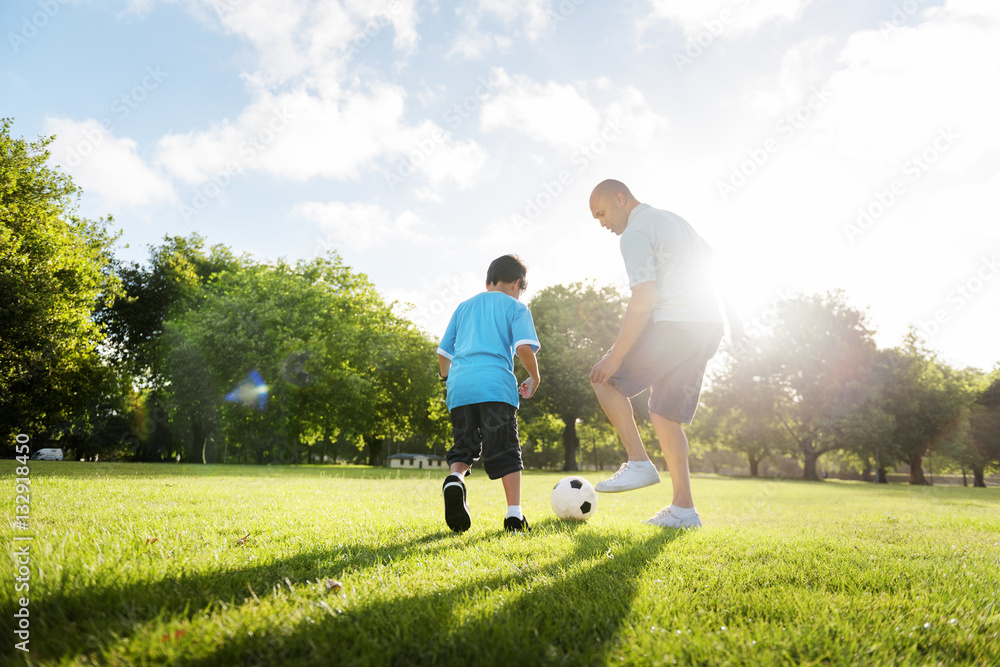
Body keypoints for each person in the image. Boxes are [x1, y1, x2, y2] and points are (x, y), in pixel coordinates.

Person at [587, 179, 747, 529]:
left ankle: (638, 462)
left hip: (677, 325)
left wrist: (614, 356)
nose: (602, 223)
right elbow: (718, 266)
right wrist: (735, 323)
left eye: (602, 213)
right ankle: (684, 510)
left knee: (603, 379)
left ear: (620, 198)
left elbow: (644, 298)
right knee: (663, 413)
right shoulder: (674, 220)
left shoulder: (635, 233)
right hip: (707, 328)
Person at [437, 254, 541, 533]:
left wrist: (448, 379)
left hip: (459, 389)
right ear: (517, 284)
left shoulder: (463, 307)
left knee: (464, 445)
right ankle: (514, 516)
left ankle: (455, 478)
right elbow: (522, 348)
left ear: (489, 281)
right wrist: (534, 376)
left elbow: (443, 353)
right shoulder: (516, 308)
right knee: (506, 449)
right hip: (495, 387)